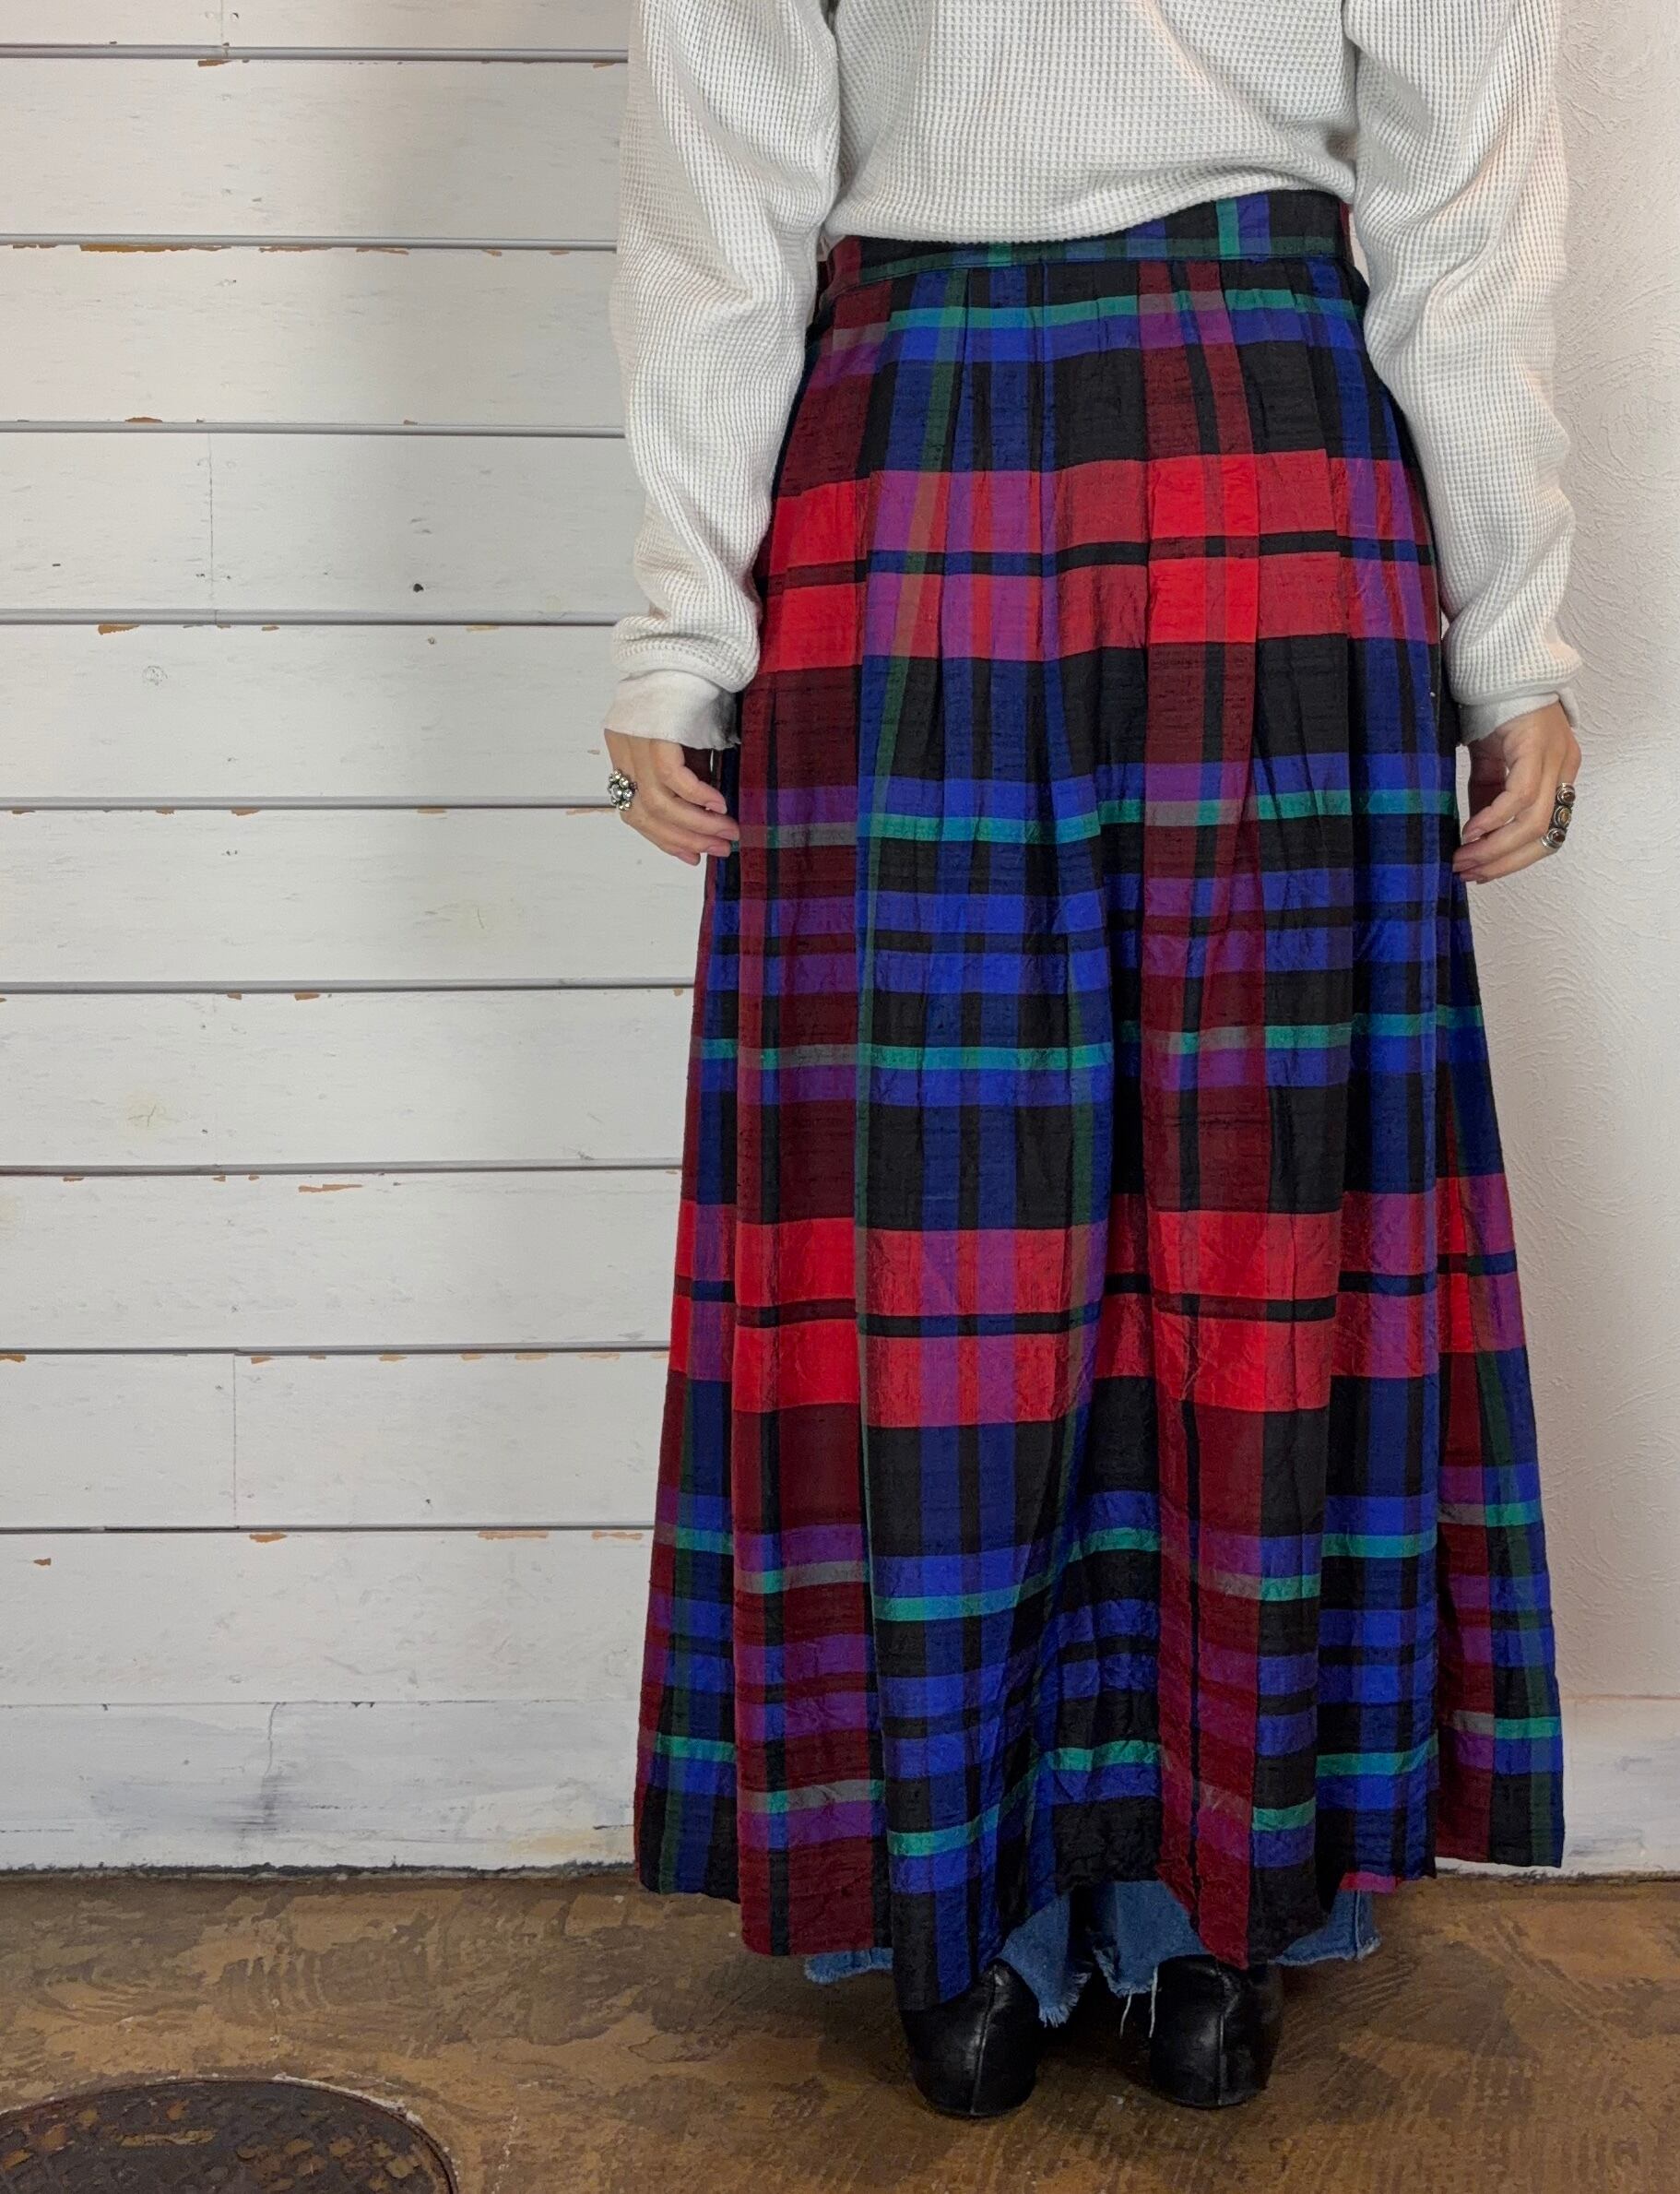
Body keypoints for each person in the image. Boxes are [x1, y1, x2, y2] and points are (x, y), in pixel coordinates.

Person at [604, 0, 1579, 2118]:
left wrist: (1515, 634)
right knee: (1090, 1220)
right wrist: (681, 624)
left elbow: (725, 209)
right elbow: (726, 196)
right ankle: (1073, 1902)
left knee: (1069, 1225)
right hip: (1191, 446)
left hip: (968, 455)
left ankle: (1139, 1904)